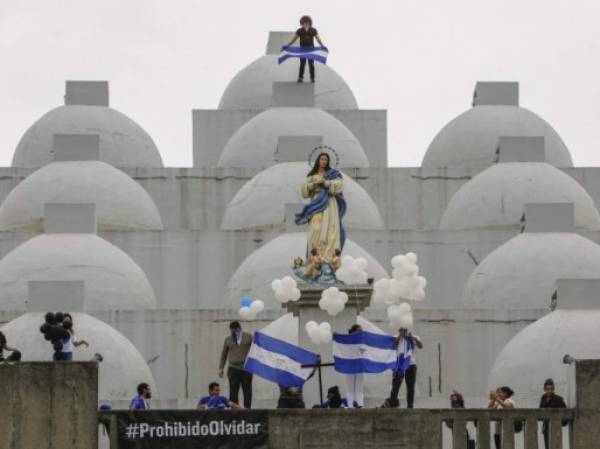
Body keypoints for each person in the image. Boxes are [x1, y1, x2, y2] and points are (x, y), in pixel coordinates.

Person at [295, 152, 346, 263]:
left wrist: (325, 182)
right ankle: (314, 256)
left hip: (329, 203)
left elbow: (340, 185)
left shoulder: (333, 173)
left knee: (331, 230)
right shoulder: (312, 176)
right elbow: (304, 191)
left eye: (326, 160)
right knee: (315, 228)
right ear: (318, 160)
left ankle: (329, 258)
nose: (323, 161)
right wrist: (313, 184)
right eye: (321, 159)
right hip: (316, 203)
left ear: (328, 162)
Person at [219, 321, 253, 408]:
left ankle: (247, 410)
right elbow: (224, 354)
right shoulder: (228, 339)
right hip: (233, 368)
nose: (234, 332)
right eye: (232, 331)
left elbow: (255, 349)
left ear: (239, 328)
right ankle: (234, 410)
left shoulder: (249, 337)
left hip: (247, 368)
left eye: (235, 330)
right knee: (233, 391)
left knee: (247, 390)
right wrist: (221, 368)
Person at [284, 15, 326, 83]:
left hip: (311, 50)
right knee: (302, 64)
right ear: (301, 23)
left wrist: (322, 45)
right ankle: (300, 78)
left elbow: (318, 39)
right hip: (302, 50)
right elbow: (294, 39)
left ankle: (312, 78)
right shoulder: (300, 30)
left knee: (311, 64)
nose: (305, 24)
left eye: (306, 22)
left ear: (309, 23)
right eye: (303, 23)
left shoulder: (313, 30)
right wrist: (288, 45)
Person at [389, 327, 423, 408]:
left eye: (405, 330)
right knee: (395, 385)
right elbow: (394, 345)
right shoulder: (397, 337)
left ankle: (410, 406)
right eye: (402, 330)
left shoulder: (414, 337)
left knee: (410, 386)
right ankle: (393, 404)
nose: (404, 332)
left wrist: (414, 338)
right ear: (399, 331)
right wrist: (400, 336)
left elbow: (421, 346)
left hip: (411, 365)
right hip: (399, 365)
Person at [539, 378, 567, 449]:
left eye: (551, 389)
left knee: (555, 446)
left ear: (554, 389)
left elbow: (565, 414)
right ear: (544, 389)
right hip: (546, 427)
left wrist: (560, 423)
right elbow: (540, 411)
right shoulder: (543, 398)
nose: (549, 391)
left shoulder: (558, 399)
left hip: (555, 428)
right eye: (548, 389)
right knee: (547, 446)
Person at [345, 324, 364, 408]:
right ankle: (350, 405)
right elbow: (342, 349)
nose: (361, 332)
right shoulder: (347, 340)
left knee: (359, 386)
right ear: (353, 331)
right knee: (350, 386)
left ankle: (360, 404)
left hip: (359, 365)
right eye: (359, 330)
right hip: (349, 365)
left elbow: (364, 352)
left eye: (361, 331)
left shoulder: (362, 341)